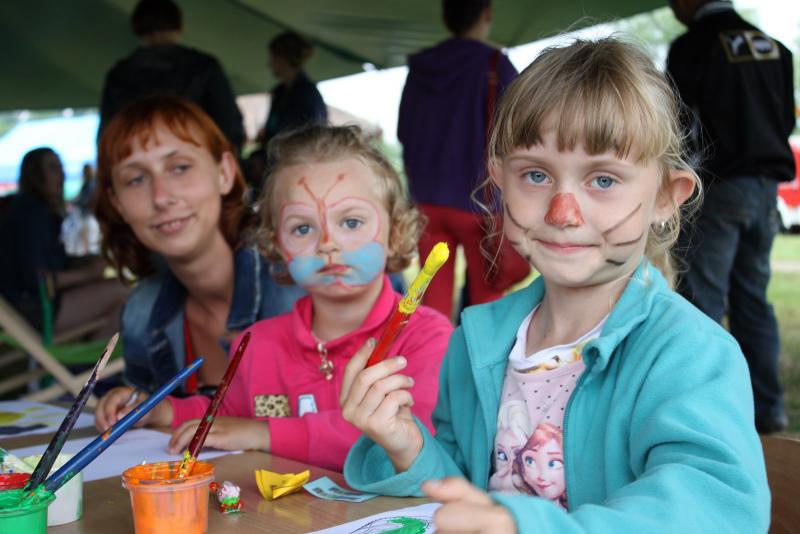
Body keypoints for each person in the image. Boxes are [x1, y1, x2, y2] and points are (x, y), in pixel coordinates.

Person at [340, 38, 769, 532]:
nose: (561, 213)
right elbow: (461, 501)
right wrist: (405, 444)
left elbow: (715, 511)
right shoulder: (478, 340)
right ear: (499, 180)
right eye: (537, 174)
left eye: (603, 180)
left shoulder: (690, 354)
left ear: (666, 198)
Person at [98, 124, 453, 472]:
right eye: (302, 228)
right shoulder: (257, 344)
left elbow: (413, 440)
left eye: (351, 222)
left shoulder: (426, 339)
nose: (327, 243)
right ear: (276, 244)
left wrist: (265, 433)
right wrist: (162, 411)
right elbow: (228, 417)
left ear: (396, 232)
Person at [92, 96, 303, 421]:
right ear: (118, 203)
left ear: (225, 172)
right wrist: (135, 408)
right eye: (136, 179)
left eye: (180, 168)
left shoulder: (299, 283)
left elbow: (330, 422)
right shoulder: (142, 313)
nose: (161, 197)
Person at [667, 0, 795, 435]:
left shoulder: (693, 46)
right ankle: (767, 410)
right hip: (765, 190)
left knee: (702, 303)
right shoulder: (775, 48)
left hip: (718, 188)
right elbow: (783, 120)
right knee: (752, 301)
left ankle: (704, 413)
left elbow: (678, 126)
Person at [397, 0, 522, 320]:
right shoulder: (495, 65)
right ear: (487, 13)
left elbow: (403, 130)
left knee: (432, 307)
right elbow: (521, 131)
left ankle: (433, 367)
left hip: (427, 202)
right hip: (480, 201)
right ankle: (479, 369)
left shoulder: (421, 67)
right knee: (487, 305)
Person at [0, 148, 125, 338]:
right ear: (35, 175)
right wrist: (87, 273)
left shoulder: (30, 209)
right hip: (32, 311)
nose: (62, 174)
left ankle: (89, 354)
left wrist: (84, 262)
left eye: (61, 167)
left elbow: (48, 261)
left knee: (116, 286)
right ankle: (89, 363)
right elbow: (38, 279)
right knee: (124, 291)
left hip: (28, 307)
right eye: (53, 168)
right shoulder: (32, 216)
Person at [98, 0, 245, 152]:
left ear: (136, 27)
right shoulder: (203, 66)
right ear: (179, 26)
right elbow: (229, 123)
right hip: (197, 154)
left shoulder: (120, 74)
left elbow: (108, 133)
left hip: (141, 157)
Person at [244, 31, 327, 195]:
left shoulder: (306, 94)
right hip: (275, 167)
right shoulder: (281, 92)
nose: (270, 63)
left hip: (295, 170)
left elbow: (309, 141)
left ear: (284, 58)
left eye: (273, 58)